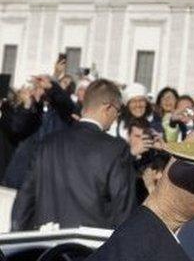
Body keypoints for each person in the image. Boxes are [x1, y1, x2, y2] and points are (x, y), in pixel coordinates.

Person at [11, 79, 137, 231]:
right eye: (118, 110)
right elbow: (123, 209)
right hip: (91, 249)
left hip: (47, 247)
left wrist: (20, 244)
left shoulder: (47, 143)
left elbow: (25, 199)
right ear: (108, 108)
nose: (117, 116)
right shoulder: (117, 149)